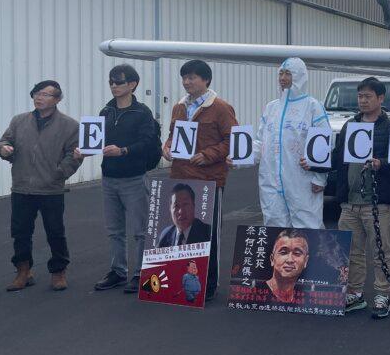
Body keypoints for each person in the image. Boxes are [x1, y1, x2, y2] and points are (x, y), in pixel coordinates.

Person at [73, 64, 159, 295]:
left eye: (118, 82)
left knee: (140, 230)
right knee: (114, 230)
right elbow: (97, 140)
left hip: (134, 177)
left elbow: (147, 142)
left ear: (132, 84)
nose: (113, 86)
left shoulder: (142, 112)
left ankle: (141, 273)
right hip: (109, 177)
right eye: (111, 82)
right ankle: (118, 271)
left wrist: (123, 151)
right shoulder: (106, 111)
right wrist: (85, 151)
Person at [0, 80, 82, 292]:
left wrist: (59, 173)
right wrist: (4, 149)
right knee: (20, 232)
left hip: (51, 189)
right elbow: (4, 142)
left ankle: (58, 271)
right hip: (22, 187)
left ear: (57, 99)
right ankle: (23, 271)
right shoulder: (19, 121)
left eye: (45, 94)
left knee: (55, 232)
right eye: (36, 94)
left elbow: (74, 155)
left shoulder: (69, 125)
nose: (39, 98)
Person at [161, 60, 238, 301]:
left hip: (208, 180)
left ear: (206, 80)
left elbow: (232, 139)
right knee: (179, 233)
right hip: (180, 178)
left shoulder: (220, 108)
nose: (186, 82)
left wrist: (208, 155)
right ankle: (178, 282)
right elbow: (173, 135)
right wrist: (167, 147)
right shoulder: (179, 107)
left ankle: (209, 285)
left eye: (192, 77)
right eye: (184, 78)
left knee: (207, 235)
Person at [331, 77, 390, 318]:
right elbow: (337, 157)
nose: (362, 100)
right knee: (352, 251)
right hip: (350, 201)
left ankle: (382, 295)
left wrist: (382, 164)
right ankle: (355, 292)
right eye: (360, 96)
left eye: (368, 96)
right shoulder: (349, 125)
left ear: (381, 98)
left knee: (382, 251)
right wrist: (314, 162)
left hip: (378, 202)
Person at [256, 58, 330, 229]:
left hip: (302, 182)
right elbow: (261, 141)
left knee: (307, 226)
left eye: (288, 74)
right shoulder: (271, 108)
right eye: (281, 73)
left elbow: (323, 145)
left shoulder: (313, 106)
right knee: (275, 228)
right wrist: (240, 157)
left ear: (299, 76)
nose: (283, 78)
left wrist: (320, 178)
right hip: (271, 182)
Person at [263, 229, 310, 304]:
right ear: (272, 259)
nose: (290, 260)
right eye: (283, 252)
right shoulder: (253, 294)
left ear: (306, 261)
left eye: (297, 253)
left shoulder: (308, 300)